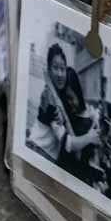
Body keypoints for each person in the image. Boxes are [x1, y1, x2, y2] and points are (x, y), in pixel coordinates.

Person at [32, 42, 99, 180]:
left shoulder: (61, 100)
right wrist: (91, 137)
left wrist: (94, 116)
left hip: (47, 158)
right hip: (39, 153)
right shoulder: (49, 98)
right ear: (49, 69)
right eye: (55, 68)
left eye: (62, 69)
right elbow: (67, 144)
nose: (59, 73)